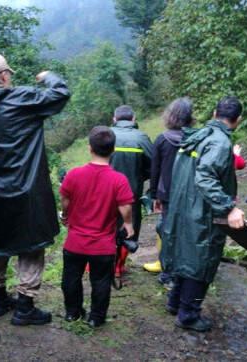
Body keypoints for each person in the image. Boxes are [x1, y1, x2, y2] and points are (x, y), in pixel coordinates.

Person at [0, 53, 70, 326]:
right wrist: (48, 77)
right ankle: (25, 307)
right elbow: (60, 93)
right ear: (5, 75)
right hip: (25, 191)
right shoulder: (23, 99)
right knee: (30, 247)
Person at [161, 96, 246, 332]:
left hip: (183, 207)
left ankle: (175, 302)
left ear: (214, 114)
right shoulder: (219, 143)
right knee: (201, 259)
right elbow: (205, 177)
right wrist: (229, 207)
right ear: (237, 120)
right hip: (201, 212)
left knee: (186, 255)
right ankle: (188, 314)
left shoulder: (197, 136)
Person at [59, 126, 135, 327]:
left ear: (89, 148)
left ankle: (72, 313)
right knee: (101, 281)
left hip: (75, 242)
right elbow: (125, 207)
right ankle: (96, 318)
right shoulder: (118, 179)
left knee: (71, 277)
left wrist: (66, 215)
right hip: (102, 245)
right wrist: (128, 224)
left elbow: (65, 200)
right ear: (113, 150)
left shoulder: (74, 175)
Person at [144, 98, 194, 286]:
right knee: (186, 232)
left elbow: (155, 170)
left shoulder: (162, 139)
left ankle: (167, 273)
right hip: (190, 194)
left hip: (168, 195)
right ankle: (183, 269)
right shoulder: (195, 138)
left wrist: (155, 194)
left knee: (167, 231)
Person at [109, 105, 154, 281]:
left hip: (105, 192)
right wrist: (139, 177)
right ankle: (119, 268)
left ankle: (101, 265)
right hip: (131, 193)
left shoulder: (106, 135)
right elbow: (153, 167)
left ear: (114, 119)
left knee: (105, 226)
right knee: (128, 228)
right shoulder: (141, 138)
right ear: (134, 119)